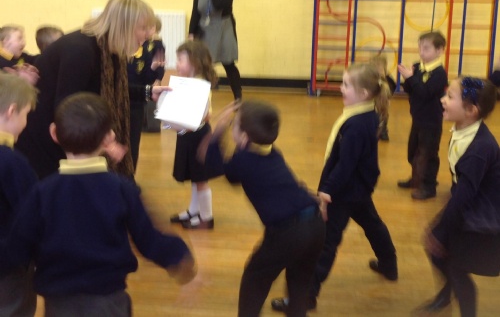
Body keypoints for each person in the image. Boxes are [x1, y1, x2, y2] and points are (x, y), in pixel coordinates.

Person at [1, 92, 196, 316]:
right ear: (108, 138)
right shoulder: (122, 189)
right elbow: (148, 238)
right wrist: (178, 255)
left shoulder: (42, 193)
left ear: (54, 133)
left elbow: (19, 243)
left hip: (59, 304)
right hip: (109, 301)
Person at [272, 63, 398, 314]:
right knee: (372, 223)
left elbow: (345, 164)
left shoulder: (357, 124)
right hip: (358, 188)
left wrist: (327, 190)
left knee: (325, 243)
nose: (341, 88)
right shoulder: (364, 114)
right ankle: (389, 263)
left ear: (363, 93)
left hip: (344, 191)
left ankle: (305, 297)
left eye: (346, 85)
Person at [15, 0, 170, 180]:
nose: (149, 34)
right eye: (143, 28)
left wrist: (148, 92)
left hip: (62, 135)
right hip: (44, 141)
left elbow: (113, 90)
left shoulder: (110, 49)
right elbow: (67, 109)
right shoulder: (81, 50)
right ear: (124, 26)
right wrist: (104, 142)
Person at [200, 100, 325, 317]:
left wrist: (218, 131)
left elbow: (212, 166)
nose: (231, 127)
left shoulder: (243, 160)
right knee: (299, 282)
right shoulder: (273, 152)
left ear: (244, 137)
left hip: (288, 232)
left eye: (234, 125)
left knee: (254, 278)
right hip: (315, 224)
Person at [417, 77, 500, 317]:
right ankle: (446, 295)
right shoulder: (463, 131)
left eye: (450, 97)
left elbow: (465, 197)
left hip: (485, 217)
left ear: (471, 110)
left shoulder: (479, 149)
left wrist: (442, 229)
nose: (443, 100)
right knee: (437, 250)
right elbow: (462, 185)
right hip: (470, 203)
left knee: (456, 267)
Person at [169, 40, 221, 229]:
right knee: (195, 177)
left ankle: (206, 217)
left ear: (195, 62)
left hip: (198, 136)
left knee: (200, 179)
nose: (176, 64)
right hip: (188, 134)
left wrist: (178, 119)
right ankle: (194, 210)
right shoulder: (188, 83)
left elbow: (204, 115)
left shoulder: (199, 85)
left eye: (180, 60)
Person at [0, 72, 38, 317]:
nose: (25, 123)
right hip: (7, 270)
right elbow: (32, 215)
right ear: (11, 111)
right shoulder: (12, 163)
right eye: (25, 115)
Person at [397, 30, 448, 200]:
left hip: (431, 122)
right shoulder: (418, 67)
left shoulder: (439, 74)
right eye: (420, 48)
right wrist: (407, 78)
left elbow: (425, 92)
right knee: (413, 152)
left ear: (439, 50)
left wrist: (411, 78)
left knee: (428, 154)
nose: (421, 52)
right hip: (418, 119)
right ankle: (417, 177)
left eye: (426, 48)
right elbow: (411, 90)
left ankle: (429, 185)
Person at [188, 0, 242, 100]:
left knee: (228, 63)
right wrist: (191, 33)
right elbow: (195, 12)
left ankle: (238, 96)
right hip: (205, 29)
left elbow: (218, 5)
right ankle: (201, 97)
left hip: (224, 30)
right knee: (203, 63)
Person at [128, 16, 165, 171]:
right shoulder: (125, 50)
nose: (146, 33)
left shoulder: (148, 50)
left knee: (133, 142)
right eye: (143, 29)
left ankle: (130, 173)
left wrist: (154, 71)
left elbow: (148, 77)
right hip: (125, 100)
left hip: (137, 101)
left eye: (147, 29)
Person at [370, 54, 396, 141]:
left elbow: (393, 86)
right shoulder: (370, 77)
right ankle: (373, 130)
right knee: (373, 115)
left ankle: (383, 131)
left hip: (383, 101)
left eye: (379, 67)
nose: (377, 69)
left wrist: (388, 97)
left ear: (384, 68)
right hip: (372, 101)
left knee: (383, 115)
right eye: (374, 67)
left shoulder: (388, 78)